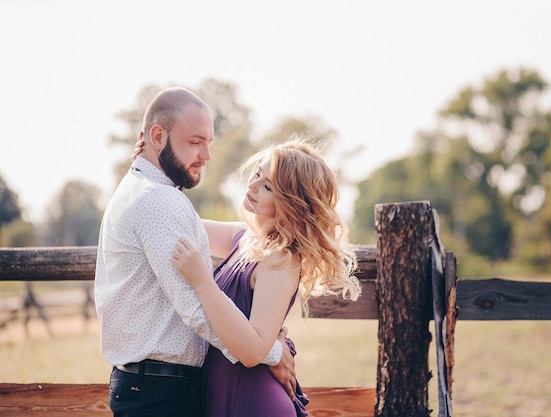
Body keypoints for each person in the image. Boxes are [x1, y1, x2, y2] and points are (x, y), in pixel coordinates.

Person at [94, 87, 293, 417]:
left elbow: (229, 234)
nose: (207, 154)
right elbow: (196, 308)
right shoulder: (157, 201)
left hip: (153, 388)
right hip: (160, 394)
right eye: (195, 141)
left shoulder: (144, 192)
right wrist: (270, 351)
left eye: (209, 142)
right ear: (158, 136)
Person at [169, 137, 362, 417]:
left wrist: (202, 282)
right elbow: (180, 223)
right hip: (224, 394)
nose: (253, 186)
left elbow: (253, 350)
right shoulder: (243, 238)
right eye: (257, 174)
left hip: (254, 403)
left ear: (292, 203)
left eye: (268, 186)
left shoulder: (281, 258)